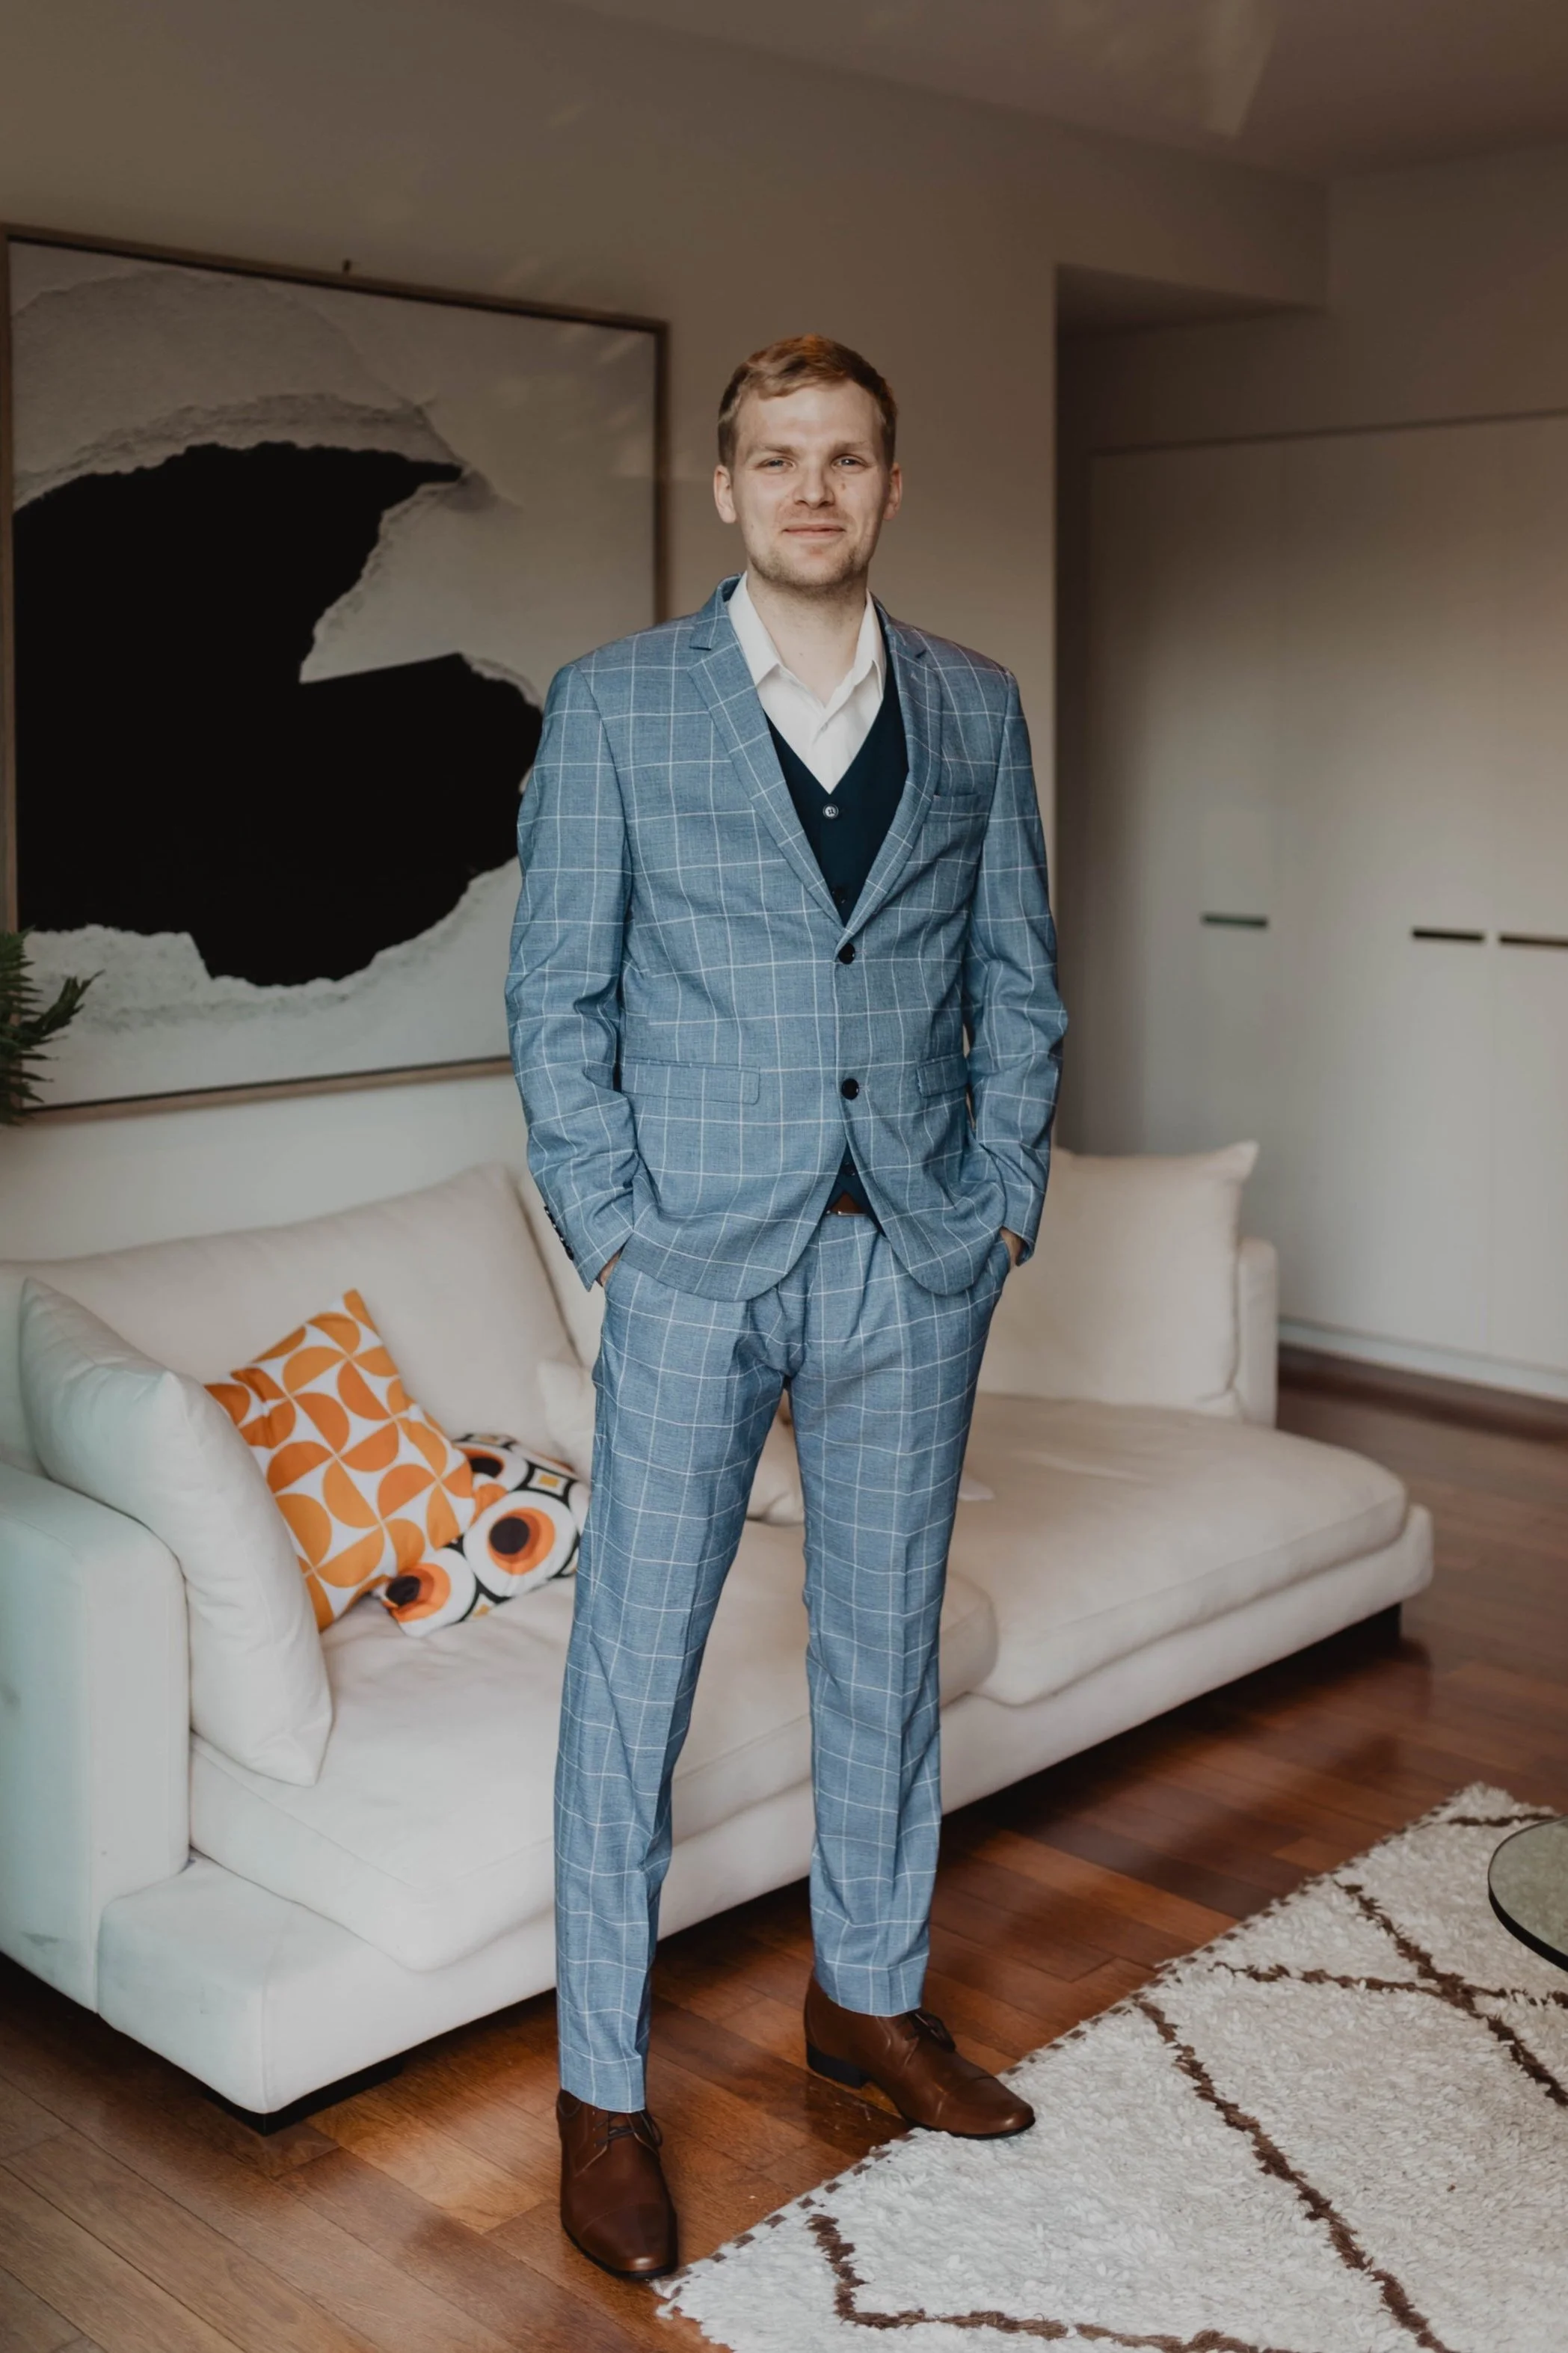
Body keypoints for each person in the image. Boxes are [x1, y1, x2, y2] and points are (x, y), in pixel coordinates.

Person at [507, 334, 1066, 2280]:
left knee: (881, 1651)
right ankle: (599, 2095)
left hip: (909, 1256)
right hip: (693, 1268)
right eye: (776, 458)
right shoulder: (616, 708)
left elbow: (1022, 979)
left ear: (888, 489)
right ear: (728, 491)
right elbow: (552, 1001)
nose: (812, 487)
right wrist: (621, 1233)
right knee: (631, 1681)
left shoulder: (979, 710)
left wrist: (994, 1209)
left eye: (845, 457)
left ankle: (869, 2001)